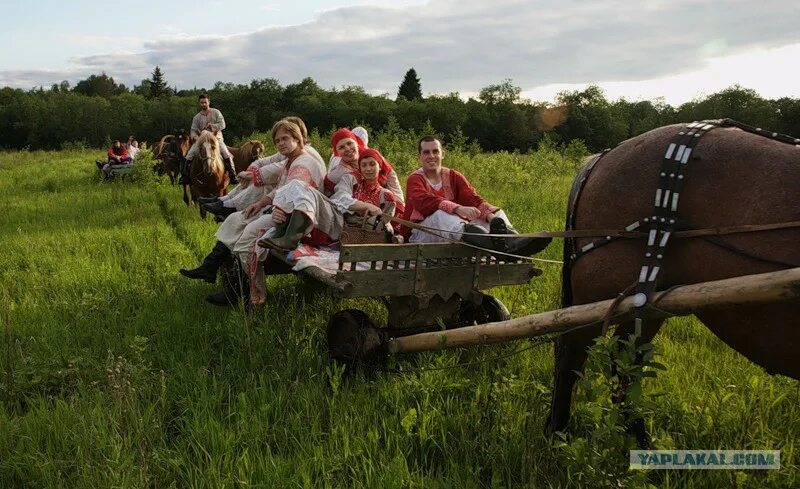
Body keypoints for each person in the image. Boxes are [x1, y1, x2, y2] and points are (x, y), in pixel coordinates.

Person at [179, 119, 325, 306]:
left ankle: (253, 294)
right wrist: (262, 202)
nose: (280, 143)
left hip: (298, 219)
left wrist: (276, 207)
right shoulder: (292, 160)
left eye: (285, 139)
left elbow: (297, 192)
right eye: (277, 140)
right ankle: (212, 266)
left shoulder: (304, 162)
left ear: (298, 138)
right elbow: (282, 188)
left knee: (247, 236)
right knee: (236, 219)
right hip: (284, 210)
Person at [402, 136, 551, 256]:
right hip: (422, 234)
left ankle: (516, 242)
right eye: (426, 152)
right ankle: (501, 250)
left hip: (454, 231)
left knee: (497, 213)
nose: (431, 156)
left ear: (443, 154)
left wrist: (491, 217)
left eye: (435, 151)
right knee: (441, 215)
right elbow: (424, 202)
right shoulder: (415, 178)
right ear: (419, 156)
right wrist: (457, 208)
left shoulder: (454, 176)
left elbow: (472, 198)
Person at [258, 147, 403, 252]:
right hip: (335, 217)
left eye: (372, 164)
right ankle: (284, 234)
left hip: (350, 233)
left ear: (379, 167)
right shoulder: (351, 180)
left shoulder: (386, 195)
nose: (368, 168)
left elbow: (383, 225)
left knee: (303, 189)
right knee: (298, 184)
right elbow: (340, 199)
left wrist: (373, 217)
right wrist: (366, 206)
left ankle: (289, 237)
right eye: (364, 165)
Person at [199, 117, 324, 218]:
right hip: (288, 198)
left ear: (297, 135)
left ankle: (231, 202)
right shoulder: (288, 152)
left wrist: (252, 175)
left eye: (286, 135)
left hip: (302, 204)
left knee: (261, 182)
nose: (281, 141)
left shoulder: (307, 153)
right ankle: (224, 200)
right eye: (278, 139)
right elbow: (266, 161)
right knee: (191, 155)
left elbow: (277, 169)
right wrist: (251, 170)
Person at [181, 94, 236, 184]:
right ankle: (185, 176)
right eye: (201, 102)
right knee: (189, 155)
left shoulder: (216, 112)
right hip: (201, 141)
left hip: (216, 139)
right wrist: (196, 138)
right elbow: (193, 131)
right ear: (199, 103)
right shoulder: (196, 117)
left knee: (226, 153)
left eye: (205, 102)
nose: (203, 104)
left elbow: (223, 125)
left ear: (208, 102)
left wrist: (212, 126)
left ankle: (232, 175)